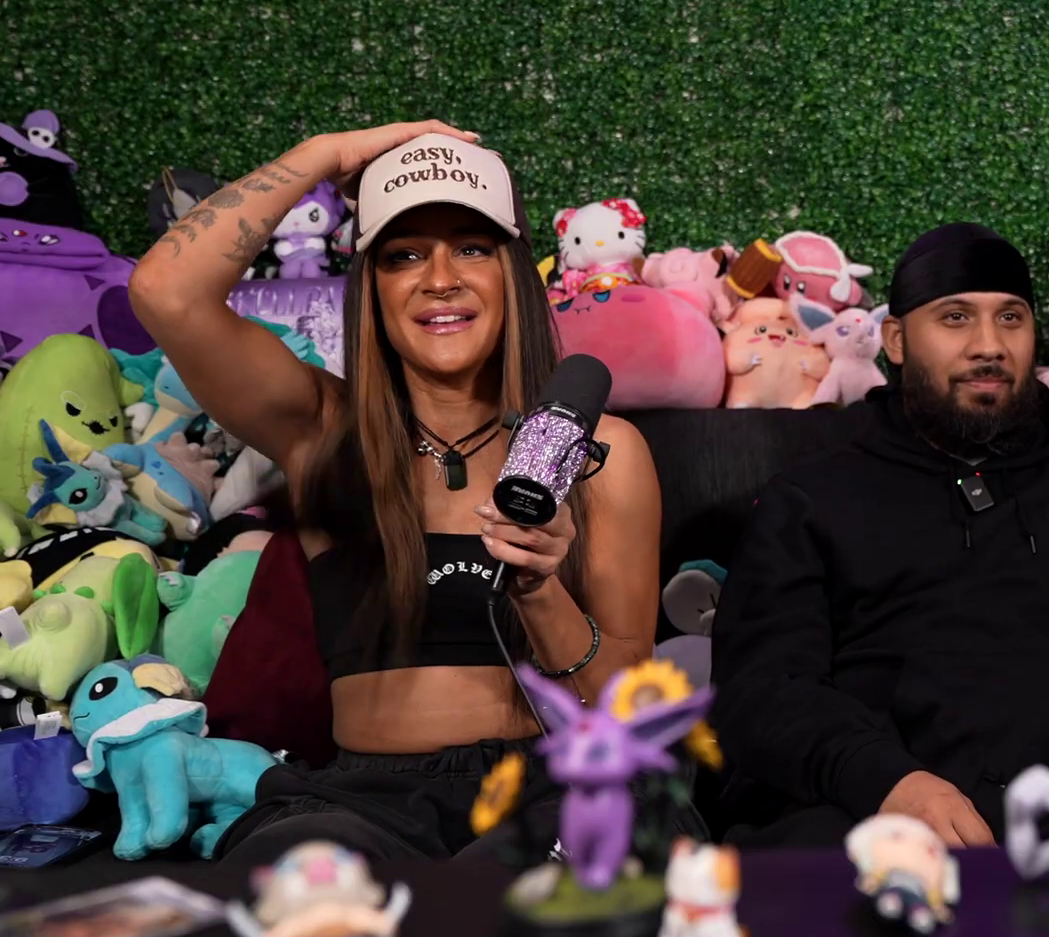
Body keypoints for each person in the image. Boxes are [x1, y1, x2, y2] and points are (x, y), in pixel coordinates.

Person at [128, 121, 662, 863]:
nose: (440, 278)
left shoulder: (601, 453)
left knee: (533, 893)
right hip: (365, 803)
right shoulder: (322, 431)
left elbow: (625, 711)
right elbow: (165, 292)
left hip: (551, 793)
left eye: (472, 248)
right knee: (296, 885)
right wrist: (324, 155)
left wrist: (540, 588)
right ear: (370, 287)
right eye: (403, 255)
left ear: (513, 272)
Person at [710, 222, 1049, 848]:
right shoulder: (811, 496)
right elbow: (761, 690)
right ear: (896, 340)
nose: (989, 345)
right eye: (956, 318)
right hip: (875, 817)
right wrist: (888, 783)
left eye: (1011, 318)